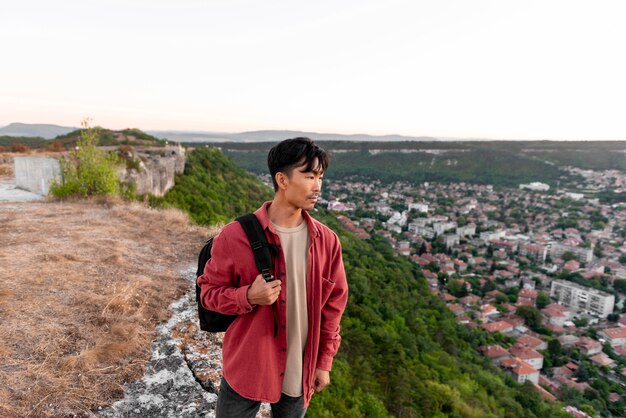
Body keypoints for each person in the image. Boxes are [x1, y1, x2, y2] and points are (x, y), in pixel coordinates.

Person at [198, 137, 349, 418]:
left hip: (300, 370)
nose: (317, 186)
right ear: (282, 179)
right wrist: (247, 296)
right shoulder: (235, 236)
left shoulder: (327, 242)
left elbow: (333, 309)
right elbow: (208, 294)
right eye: (309, 176)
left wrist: (324, 361)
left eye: (320, 177)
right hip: (248, 365)